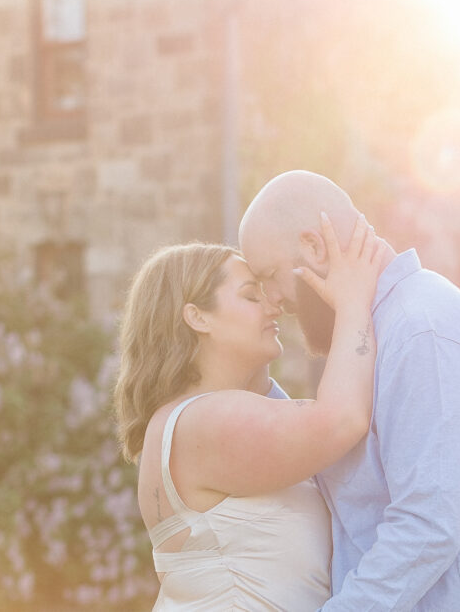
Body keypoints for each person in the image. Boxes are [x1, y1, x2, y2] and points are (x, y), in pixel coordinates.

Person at [239, 170, 460, 611]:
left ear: (314, 247)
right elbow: (335, 471)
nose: (273, 299)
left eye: (269, 275)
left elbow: (429, 523)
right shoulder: (367, 336)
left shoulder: (423, 331)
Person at [114, 212, 383, 610]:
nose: (273, 305)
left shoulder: (192, 419)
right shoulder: (202, 423)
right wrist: (353, 302)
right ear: (197, 316)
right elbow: (341, 419)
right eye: (251, 296)